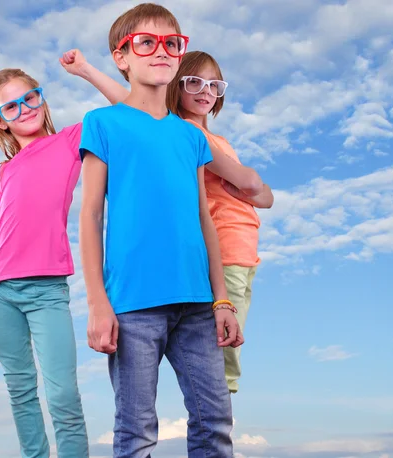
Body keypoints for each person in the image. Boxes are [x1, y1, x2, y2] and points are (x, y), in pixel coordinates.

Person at [76, 3, 243, 457]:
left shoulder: (190, 137)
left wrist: (222, 298)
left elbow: (203, 219)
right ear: (121, 57)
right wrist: (97, 303)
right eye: (146, 42)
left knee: (214, 422)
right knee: (136, 431)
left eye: (172, 42)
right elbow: (91, 215)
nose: (162, 51)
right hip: (132, 306)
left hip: (197, 306)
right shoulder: (103, 122)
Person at [0, 51, 127, 458]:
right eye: (12, 106)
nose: (25, 110)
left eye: (31, 98)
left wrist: (86, 70)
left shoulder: (70, 141)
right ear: (0, 118)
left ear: (42, 99)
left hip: (47, 289)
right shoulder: (8, 168)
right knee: (20, 390)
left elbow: (130, 108)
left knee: (63, 394)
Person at [167, 51, 274, 393]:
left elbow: (266, 196)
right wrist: (250, 185)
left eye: (214, 84)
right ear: (175, 86)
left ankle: (220, 400)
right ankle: (217, 403)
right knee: (225, 346)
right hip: (225, 246)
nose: (206, 90)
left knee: (234, 340)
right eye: (194, 81)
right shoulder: (188, 132)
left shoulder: (218, 140)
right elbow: (253, 185)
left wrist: (251, 185)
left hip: (246, 250)